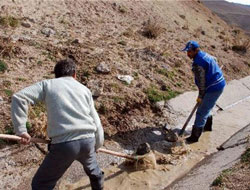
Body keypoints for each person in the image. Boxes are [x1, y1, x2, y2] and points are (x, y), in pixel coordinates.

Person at [11, 59, 104, 190]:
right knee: (94, 172)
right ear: (75, 75)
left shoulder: (48, 85)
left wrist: (21, 130)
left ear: (56, 75)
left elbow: (19, 97)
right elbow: (96, 120)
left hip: (65, 145)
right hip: (88, 141)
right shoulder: (84, 90)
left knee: (41, 184)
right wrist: (98, 144)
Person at [182, 40, 226, 143]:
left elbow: (202, 83)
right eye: (187, 51)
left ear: (196, 50)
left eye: (189, 51)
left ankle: (194, 137)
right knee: (207, 106)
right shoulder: (204, 55)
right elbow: (214, 59)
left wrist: (201, 96)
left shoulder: (198, 64)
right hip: (219, 83)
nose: (188, 54)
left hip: (213, 88)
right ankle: (207, 128)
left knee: (201, 111)